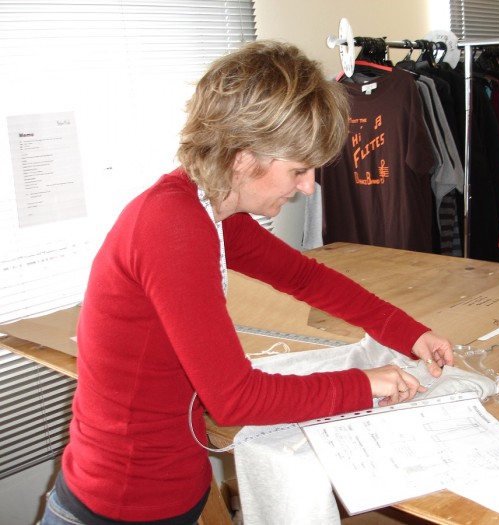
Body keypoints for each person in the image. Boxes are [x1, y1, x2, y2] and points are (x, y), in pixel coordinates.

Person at [41, 40, 454, 525]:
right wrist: (366, 383)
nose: (307, 186)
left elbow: (305, 277)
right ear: (242, 158)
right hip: (121, 504)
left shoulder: (210, 208)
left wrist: (409, 333)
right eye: (297, 170)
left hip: (170, 487)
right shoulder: (171, 226)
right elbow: (236, 398)